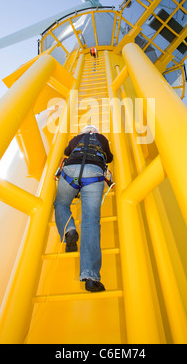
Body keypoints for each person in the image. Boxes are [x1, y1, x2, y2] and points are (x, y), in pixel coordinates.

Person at [54, 125, 113, 292]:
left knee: (61, 204)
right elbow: (109, 158)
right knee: (91, 222)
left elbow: (67, 152)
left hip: (70, 170)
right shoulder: (102, 139)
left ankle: (69, 230)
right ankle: (91, 277)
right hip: (95, 173)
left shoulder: (75, 139)